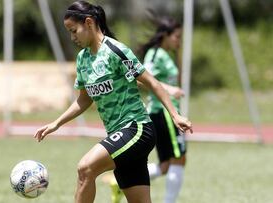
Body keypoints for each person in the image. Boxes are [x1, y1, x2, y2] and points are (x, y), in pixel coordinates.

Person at [34, 1, 193, 203]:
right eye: (69, 32)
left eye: (74, 31)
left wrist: (175, 114)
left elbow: (152, 83)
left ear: (89, 23)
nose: (72, 37)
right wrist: (56, 123)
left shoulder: (115, 50)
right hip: (119, 135)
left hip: (137, 129)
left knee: (85, 168)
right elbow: (83, 100)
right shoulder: (83, 59)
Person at [110, 17, 187, 203]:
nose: (179, 41)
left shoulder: (165, 53)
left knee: (167, 165)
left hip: (165, 112)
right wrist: (169, 89)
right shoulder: (155, 54)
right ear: (165, 36)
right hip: (163, 112)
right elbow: (142, 79)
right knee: (179, 159)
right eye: (176, 36)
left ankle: (118, 184)